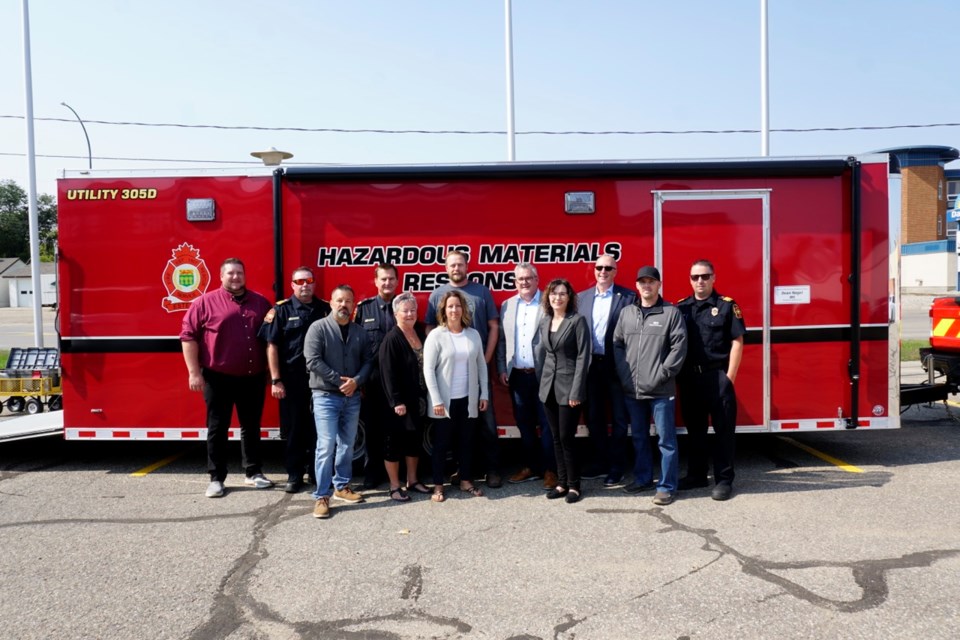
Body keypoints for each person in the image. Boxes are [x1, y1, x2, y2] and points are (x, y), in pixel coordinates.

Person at [180, 257, 274, 498]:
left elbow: (270, 340)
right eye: (230, 273)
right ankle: (216, 478)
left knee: (251, 427)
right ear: (221, 276)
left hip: (252, 378)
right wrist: (193, 372)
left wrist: (272, 375)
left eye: (240, 273)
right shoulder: (204, 303)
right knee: (217, 428)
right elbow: (188, 337)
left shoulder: (260, 303)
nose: (236, 277)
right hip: (217, 377)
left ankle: (253, 472)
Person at [425, 250, 502, 488]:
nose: (456, 268)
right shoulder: (437, 294)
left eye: (460, 264)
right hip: (447, 378)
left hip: (476, 374)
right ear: (446, 268)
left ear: (467, 266)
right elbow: (429, 329)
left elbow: (493, 327)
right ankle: (455, 475)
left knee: (486, 426)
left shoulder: (482, 292)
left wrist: (484, 361)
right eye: (452, 265)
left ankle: (491, 471)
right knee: (448, 434)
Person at [613, 266, 687, 506]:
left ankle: (666, 486)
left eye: (651, 282)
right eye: (642, 282)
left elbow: (679, 347)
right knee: (640, 438)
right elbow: (617, 344)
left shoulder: (670, 313)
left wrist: (663, 373)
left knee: (666, 441)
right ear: (637, 286)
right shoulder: (626, 313)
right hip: (632, 390)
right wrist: (625, 373)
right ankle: (643, 479)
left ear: (659, 285)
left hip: (661, 390)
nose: (647, 286)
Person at [676, 259, 745, 501]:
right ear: (690, 280)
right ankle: (696, 476)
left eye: (705, 276)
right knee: (695, 431)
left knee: (723, 431)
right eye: (695, 277)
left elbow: (737, 341)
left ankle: (724, 481)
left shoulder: (726, 306)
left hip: (717, 377)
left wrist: (729, 378)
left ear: (713, 278)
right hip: (689, 379)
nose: (700, 281)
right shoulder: (682, 308)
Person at [304, 285, 374, 519]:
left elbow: (368, 362)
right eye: (339, 301)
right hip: (325, 396)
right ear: (331, 303)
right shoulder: (318, 329)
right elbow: (312, 360)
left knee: (347, 444)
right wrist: (339, 381)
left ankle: (342, 487)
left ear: (353, 305)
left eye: (348, 302)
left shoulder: (360, 332)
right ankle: (322, 496)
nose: (344, 305)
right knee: (325, 447)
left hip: (351, 397)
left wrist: (356, 381)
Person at [259, 266, 330, 494]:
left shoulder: (325, 309)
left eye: (309, 280)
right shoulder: (281, 310)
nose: (305, 285)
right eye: (299, 281)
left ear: (314, 283)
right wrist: (276, 380)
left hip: (321, 381)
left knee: (319, 429)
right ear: (292, 285)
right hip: (292, 381)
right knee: (294, 430)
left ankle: (316, 473)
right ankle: (294, 474)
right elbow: (272, 346)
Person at [576, 254, 636, 487]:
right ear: (594, 270)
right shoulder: (581, 298)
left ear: (615, 271)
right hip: (592, 368)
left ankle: (617, 467)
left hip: (618, 367)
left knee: (620, 420)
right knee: (594, 418)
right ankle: (600, 462)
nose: (603, 271)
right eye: (599, 267)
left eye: (608, 268)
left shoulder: (628, 297)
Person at [423, 289, 489, 502]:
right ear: (444, 309)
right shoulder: (436, 335)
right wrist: (436, 399)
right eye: (450, 306)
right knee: (441, 445)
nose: (454, 310)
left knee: (466, 442)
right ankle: (439, 486)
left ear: (463, 309)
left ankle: (466, 481)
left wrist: (484, 393)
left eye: (458, 306)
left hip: (467, 400)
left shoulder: (473, 334)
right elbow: (428, 369)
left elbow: (481, 367)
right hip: (444, 403)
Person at [496, 262, 556, 489]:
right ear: (515, 282)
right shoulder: (508, 305)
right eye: (520, 279)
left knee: (547, 424)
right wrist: (502, 367)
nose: (524, 282)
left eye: (528, 278)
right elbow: (502, 340)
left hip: (543, 376)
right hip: (517, 376)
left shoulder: (547, 303)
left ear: (537, 280)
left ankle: (551, 470)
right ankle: (532, 467)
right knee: (524, 424)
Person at [535, 278, 590, 504]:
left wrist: (576, 391)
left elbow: (583, 357)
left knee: (567, 437)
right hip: (548, 388)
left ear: (569, 298)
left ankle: (575, 486)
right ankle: (562, 483)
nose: (557, 297)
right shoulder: (545, 321)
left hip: (569, 389)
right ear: (548, 297)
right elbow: (545, 355)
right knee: (556, 437)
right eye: (554, 293)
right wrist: (542, 384)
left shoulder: (577, 321)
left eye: (562, 294)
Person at [378, 291, 432, 502]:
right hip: (398, 404)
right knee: (394, 443)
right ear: (395, 314)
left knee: (413, 441)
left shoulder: (419, 332)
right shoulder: (392, 339)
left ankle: (413, 480)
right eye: (405, 311)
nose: (410, 314)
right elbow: (387, 373)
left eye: (413, 310)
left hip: (417, 400)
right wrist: (396, 401)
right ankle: (394, 486)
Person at [355, 263, 399, 489]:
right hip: (371, 380)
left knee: (397, 428)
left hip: (398, 381)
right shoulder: (364, 308)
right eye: (383, 279)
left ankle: (396, 472)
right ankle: (372, 472)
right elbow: (355, 345)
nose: (387, 283)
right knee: (372, 428)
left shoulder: (404, 306)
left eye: (391, 278)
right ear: (376, 281)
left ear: (397, 281)